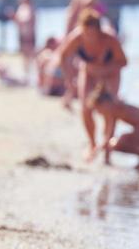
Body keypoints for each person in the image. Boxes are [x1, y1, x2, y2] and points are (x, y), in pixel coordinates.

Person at [57, 9, 127, 161]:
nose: (89, 37)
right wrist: (69, 79)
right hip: (88, 72)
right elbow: (62, 55)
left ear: (98, 30)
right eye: (86, 33)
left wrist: (104, 70)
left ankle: (108, 148)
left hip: (110, 73)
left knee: (110, 107)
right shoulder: (77, 37)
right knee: (85, 107)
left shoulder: (109, 39)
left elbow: (123, 62)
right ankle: (92, 144)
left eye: (92, 33)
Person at [87, 85, 139, 165]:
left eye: (98, 109)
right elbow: (109, 135)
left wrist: (97, 152)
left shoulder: (115, 109)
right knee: (117, 142)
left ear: (105, 104)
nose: (99, 113)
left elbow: (108, 136)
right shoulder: (115, 109)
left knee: (119, 143)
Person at [13, 0, 36, 83]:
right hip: (23, 34)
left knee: (29, 55)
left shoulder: (30, 9)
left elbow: (26, 20)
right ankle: (27, 74)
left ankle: (30, 75)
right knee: (25, 55)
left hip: (28, 35)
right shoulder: (22, 8)